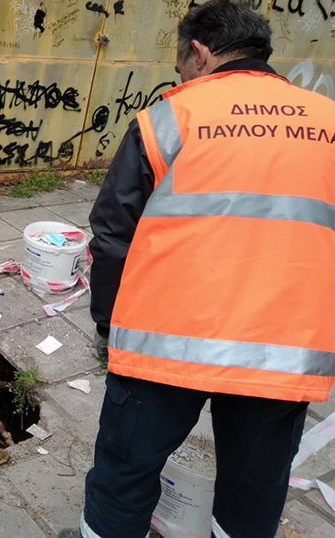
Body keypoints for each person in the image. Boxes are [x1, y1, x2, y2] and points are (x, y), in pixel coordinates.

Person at [63, 1, 335, 537]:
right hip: (281, 351)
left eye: (180, 65)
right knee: (254, 488)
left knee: (124, 472)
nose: (182, 76)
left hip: (164, 344)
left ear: (201, 53)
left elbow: (113, 236)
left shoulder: (170, 117)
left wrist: (106, 326)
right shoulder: (328, 121)